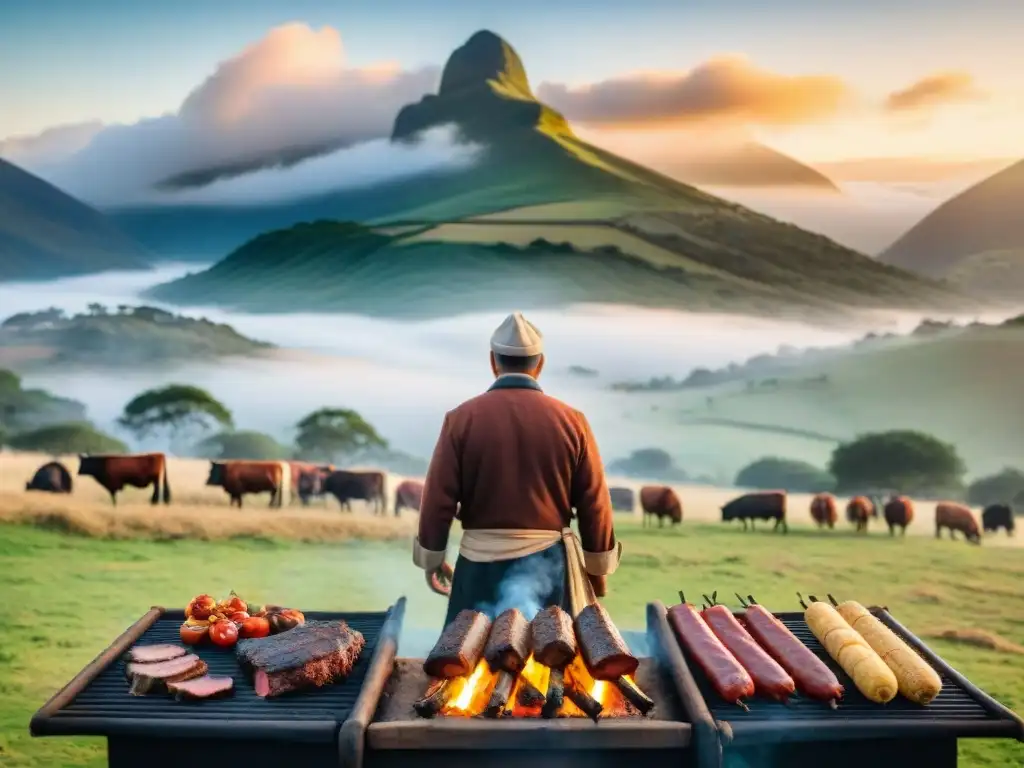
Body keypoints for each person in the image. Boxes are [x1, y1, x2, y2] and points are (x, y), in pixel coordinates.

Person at [412, 311, 620, 626]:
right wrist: (597, 569)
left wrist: (433, 559)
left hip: (477, 566)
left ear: (494, 361)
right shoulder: (572, 421)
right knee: (549, 665)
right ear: (540, 363)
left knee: (464, 662)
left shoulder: (460, 418)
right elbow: (595, 503)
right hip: (549, 566)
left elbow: (438, 499)